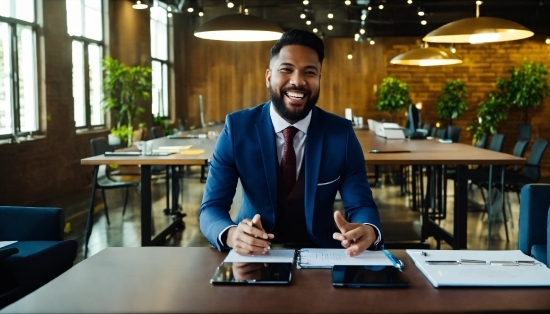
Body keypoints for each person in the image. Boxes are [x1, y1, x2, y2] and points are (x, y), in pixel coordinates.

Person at [199, 29, 383, 257]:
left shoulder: (341, 133)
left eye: (310, 72)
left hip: (322, 252)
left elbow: (361, 205)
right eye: (286, 69)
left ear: (319, 79)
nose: (298, 81)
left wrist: (369, 229)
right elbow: (212, 208)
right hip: (252, 251)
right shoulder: (237, 128)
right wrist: (230, 234)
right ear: (269, 76)